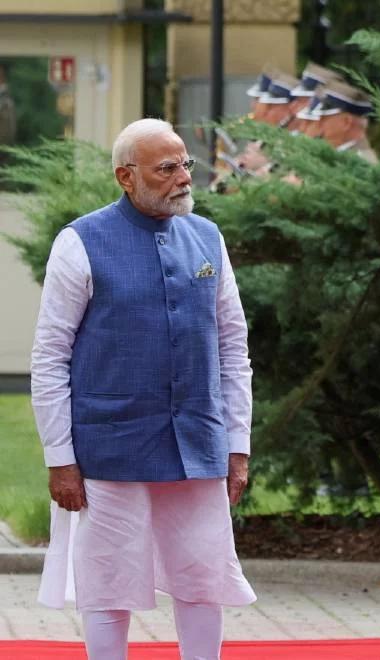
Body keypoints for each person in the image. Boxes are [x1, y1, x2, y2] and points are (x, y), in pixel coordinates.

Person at [30, 118, 256, 659]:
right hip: (110, 445)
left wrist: (238, 445)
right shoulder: (80, 242)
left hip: (197, 442)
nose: (183, 177)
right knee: (108, 581)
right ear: (125, 177)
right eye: (166, 168)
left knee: (203, 576)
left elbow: (232, 348)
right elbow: (49, 357)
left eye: (186, 164)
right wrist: (60, 457)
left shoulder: (207, 237)